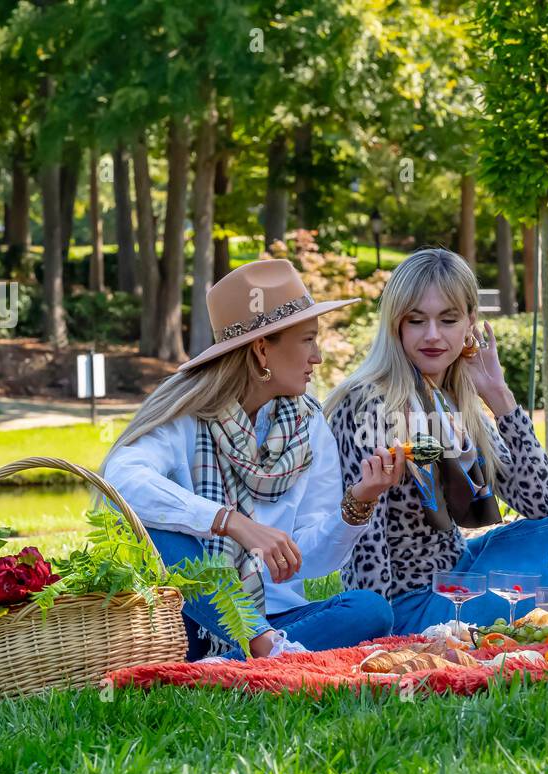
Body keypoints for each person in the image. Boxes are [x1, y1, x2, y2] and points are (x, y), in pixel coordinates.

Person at [101, 258, 401, 661]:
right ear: (262, 349)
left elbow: (308, 561)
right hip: (199, 615)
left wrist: (358, 501)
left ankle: (247, 659)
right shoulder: (188, 418)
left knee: (371, 610)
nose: (318, 358)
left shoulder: (309, 426)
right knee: (161, 533)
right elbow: (120, 478)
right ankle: (263, 648)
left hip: (282, 617)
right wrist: (230, 523)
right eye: (307, 340)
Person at [325, 247, 548, 634]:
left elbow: (542, 504)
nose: (432, 335)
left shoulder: (457, 399)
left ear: (470, 324)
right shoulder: (367, 403)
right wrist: (375, 635)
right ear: (396, 325)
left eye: (447, 319)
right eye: (416, 321)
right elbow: (366, 538)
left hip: (461, 573)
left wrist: (498, 395)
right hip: (411, 606)